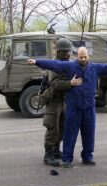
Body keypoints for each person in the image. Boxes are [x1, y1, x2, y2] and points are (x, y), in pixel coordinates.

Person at [27, 47, 107, 168]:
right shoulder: (70, 67)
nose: (83, 59)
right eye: (81, 57)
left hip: (89, 107)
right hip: (74, 106)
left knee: (89, 134)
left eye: (85, 57)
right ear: (77, 57)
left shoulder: (95, 67)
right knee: (70, 134)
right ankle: (67, 159)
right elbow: (54, 64)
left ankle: (87, 157)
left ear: (88, 56)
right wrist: (37, 62)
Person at [42, 38, 83, 166]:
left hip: (65, 100)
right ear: (59, 52)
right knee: (52, 127)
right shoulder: (53, 66)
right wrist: (70, 82)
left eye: (69, 52)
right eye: (65, 52)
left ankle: (55, 151)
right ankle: (47, 155)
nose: (68, 54)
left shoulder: (69, 64)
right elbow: (55, 84)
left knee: (62, 127)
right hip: (53, 101)